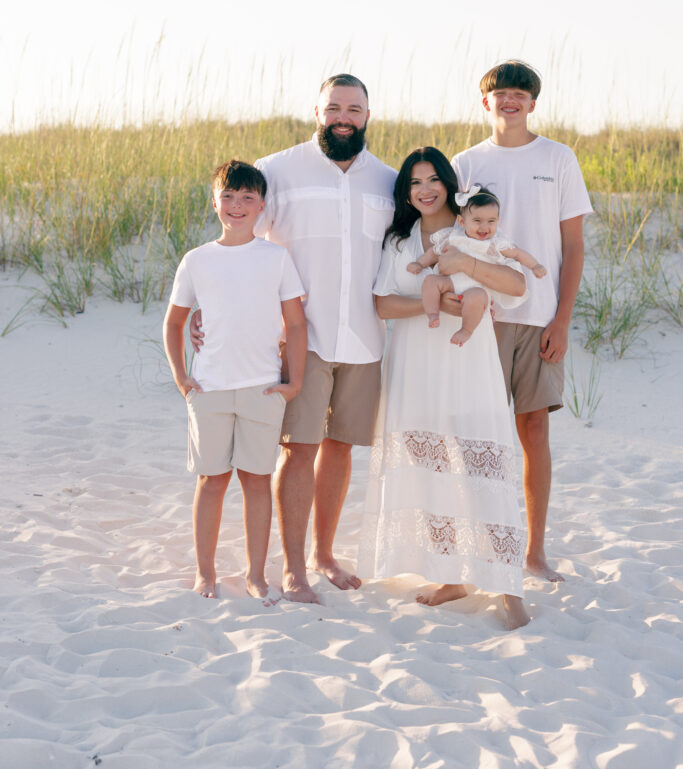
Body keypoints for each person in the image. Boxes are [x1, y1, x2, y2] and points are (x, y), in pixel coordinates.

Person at [191, 75, 398, 604]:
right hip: (299, 339)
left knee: (342, 448)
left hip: (366, 338)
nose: (343, 117)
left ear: (368, 115)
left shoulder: (388, 182)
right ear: (317, 112)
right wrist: (202, 311)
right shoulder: (277, 171)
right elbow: (238, 248)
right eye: (334, 108)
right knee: (298, 448)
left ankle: (324, 554)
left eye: (354, 108)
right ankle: (292, 569)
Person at [358, 147, 530, 630]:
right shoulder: (400, 240)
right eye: (415, 183)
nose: (425, 190)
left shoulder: (475, 227)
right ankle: (451, 575)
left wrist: (467, 266)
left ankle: (508, 585)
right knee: (430, 468)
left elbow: (518, 285)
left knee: (482, 471)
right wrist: (434, 307)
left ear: (449, 183)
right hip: (415, 364)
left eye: (433, 179)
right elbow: (382, 306)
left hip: (467, 363)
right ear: (405, 192)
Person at [450, 60, 593, 582]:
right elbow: (446, 241)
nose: (509, 101)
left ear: (533, 103)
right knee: (478, 437)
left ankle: (533, 552)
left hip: (539, 319)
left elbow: (573, 246)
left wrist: (562, 318)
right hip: (480, 319)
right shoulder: (464, 164)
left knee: (533, 431)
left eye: (519, 94)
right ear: (484, 101)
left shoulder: (557, 158)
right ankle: (481, 546)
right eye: (500, 94)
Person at [163, 160, 307, 604]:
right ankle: (205, 573)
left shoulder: (275, 257)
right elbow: (174, 322)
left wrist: (294, 382)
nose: (237, 205)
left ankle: (256, 574)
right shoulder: (197, 260)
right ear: (214, 202)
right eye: (228, 196)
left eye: (247, 197)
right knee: (212, 481)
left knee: (257, 481)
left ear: (262, 205)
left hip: (263, 387)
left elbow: (296, 325)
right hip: (209, 390)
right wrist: (182, 378)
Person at [407, 184, 546, 346]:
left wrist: (535, 265)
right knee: (430, 281)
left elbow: (517, 253)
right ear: (462, 221)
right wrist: (420, 262)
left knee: (477, 298)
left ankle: (466, 330)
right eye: (477, 221)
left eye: (491, 221)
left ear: (498, 221)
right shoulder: (453, 236)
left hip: (476, 288)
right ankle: (432, 314)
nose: (484, 227)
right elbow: (435, 252)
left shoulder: (495, 243)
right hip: (451, 283)